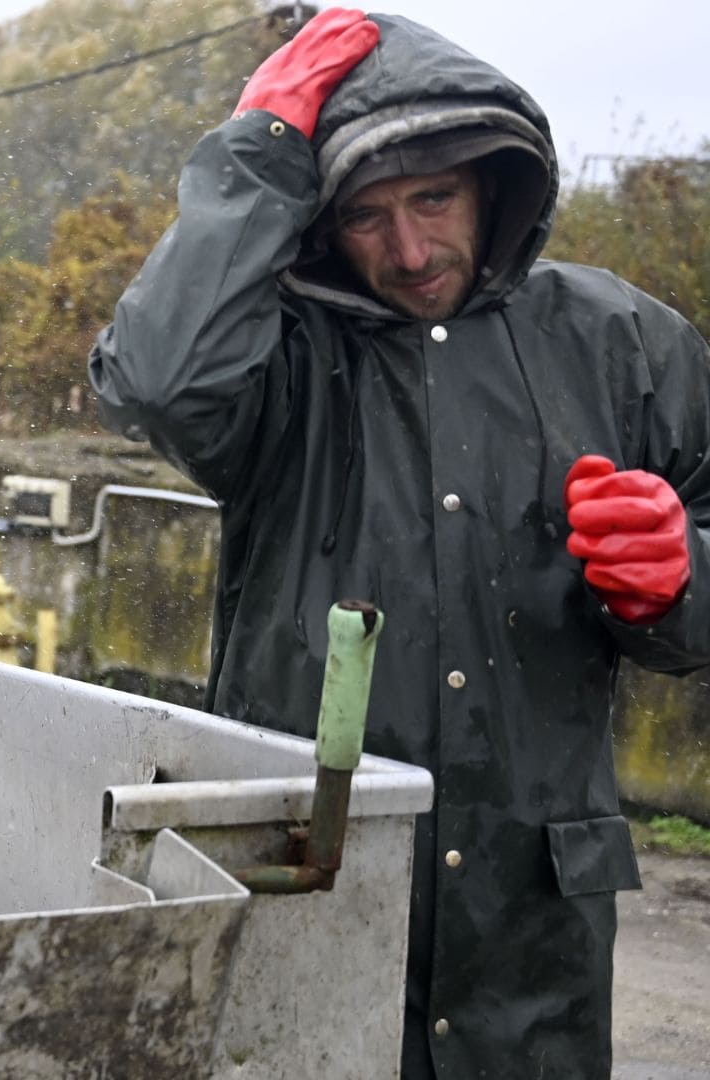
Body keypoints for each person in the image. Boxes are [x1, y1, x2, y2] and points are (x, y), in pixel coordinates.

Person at [90, 9, 710, 1077]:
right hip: (306, 882)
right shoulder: (281, 362)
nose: (412, 250)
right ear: (321, 223)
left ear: (492, 181)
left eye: (434, 198)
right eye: (369, 216)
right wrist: (261, 153)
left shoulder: (622, 343)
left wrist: (681, 577)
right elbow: (155, 377)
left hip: (532, 931)